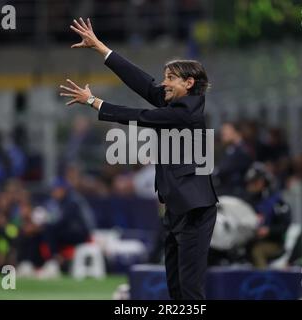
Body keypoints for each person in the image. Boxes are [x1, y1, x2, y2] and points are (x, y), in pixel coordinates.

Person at [60, 17, 218, 300]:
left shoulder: (186, 112)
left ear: (189, 83)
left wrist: (95, 102)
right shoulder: (178, 101)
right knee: (176, 286)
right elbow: (143, 84)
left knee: (190, 289)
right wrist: (101, 48)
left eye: (170, 78)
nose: (164, 83)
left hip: (194, 210)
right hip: (177, 207)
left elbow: (141, 116)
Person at [244, 163, 291, 268]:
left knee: (257, 251)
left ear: (262, 182)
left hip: (273, 243)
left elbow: (284, 225)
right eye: (249, 183)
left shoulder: (276, 202)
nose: (250, 186)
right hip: (249, 240)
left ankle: (263, 280)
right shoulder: (248, 201)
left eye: (254, 182)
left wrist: (269, 231)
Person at [213, 121, 252, 196]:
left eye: (226, 130)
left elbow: (224, 169)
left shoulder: (242, 150)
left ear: (236, 132)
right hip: (226, 190)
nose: (222, 133)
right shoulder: (231, 148)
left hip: (234, 193)